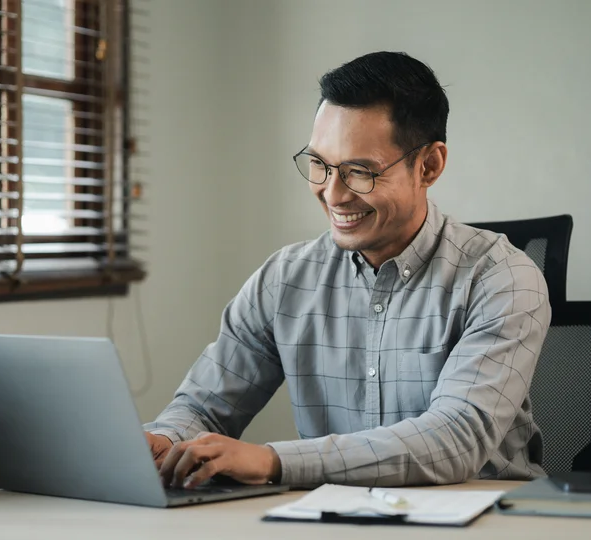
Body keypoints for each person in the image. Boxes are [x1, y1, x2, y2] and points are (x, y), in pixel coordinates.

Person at [143, 51, 551, 491]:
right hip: (334, 521)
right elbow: (204, 407)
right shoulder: (284, 279)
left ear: (429, 166)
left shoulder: (503, 277)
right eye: (319, 164)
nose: (332, 194)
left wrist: (272, 460)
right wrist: (167, 440)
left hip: (490, 524)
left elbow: (456, 438)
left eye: (359, 172)